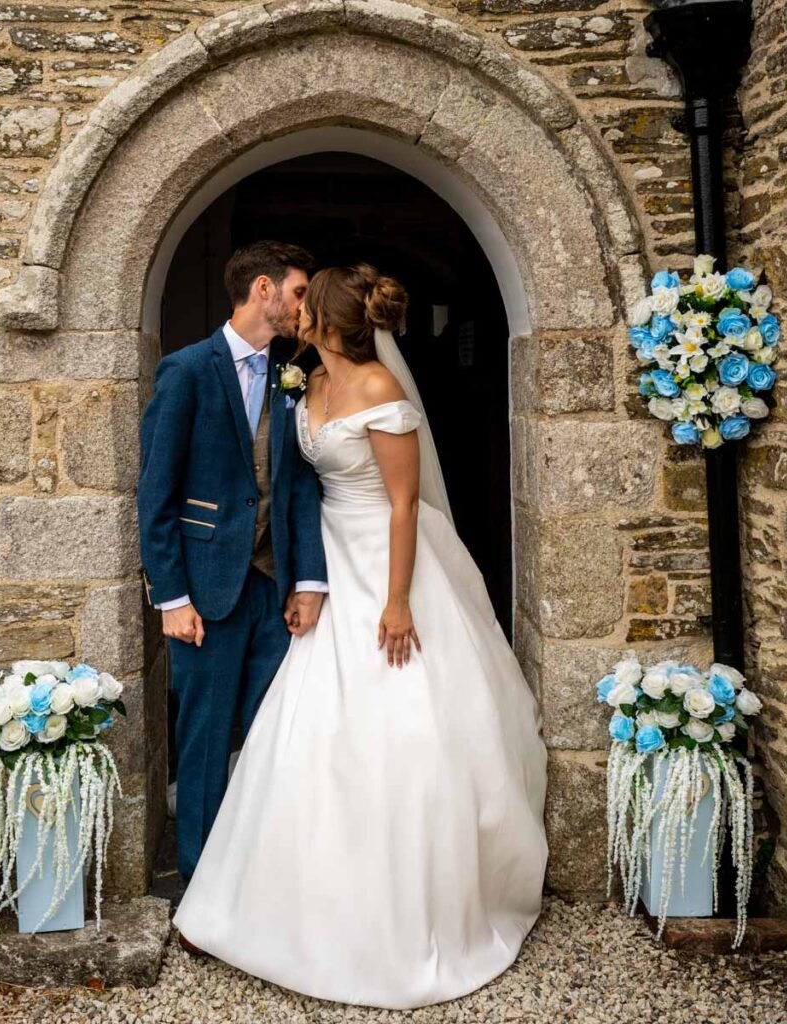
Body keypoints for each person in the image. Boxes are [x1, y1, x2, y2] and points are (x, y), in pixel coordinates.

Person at [174, 264, 549, 1010]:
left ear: (334, 318)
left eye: (308, 301)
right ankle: (283, 896)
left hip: (384, 559)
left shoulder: (381, 389)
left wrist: (398, 600)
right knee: (307, 722)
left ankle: (404, 909)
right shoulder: (304, 383)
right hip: (324, 564)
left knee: (405, 722)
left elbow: (405, 504)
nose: (295, 307)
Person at [137, 241, 328, 884]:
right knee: (205, 742)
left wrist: (308, 582)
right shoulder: (186, 371)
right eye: (300, 293)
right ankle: (202, 884)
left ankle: (262, 879)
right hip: (204, 595)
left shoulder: (292, 375)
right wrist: (172, 598)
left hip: (275, 589)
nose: (307, 306)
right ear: (264, 289)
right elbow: (156, 494)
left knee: (276, 737)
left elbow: (299, 486)